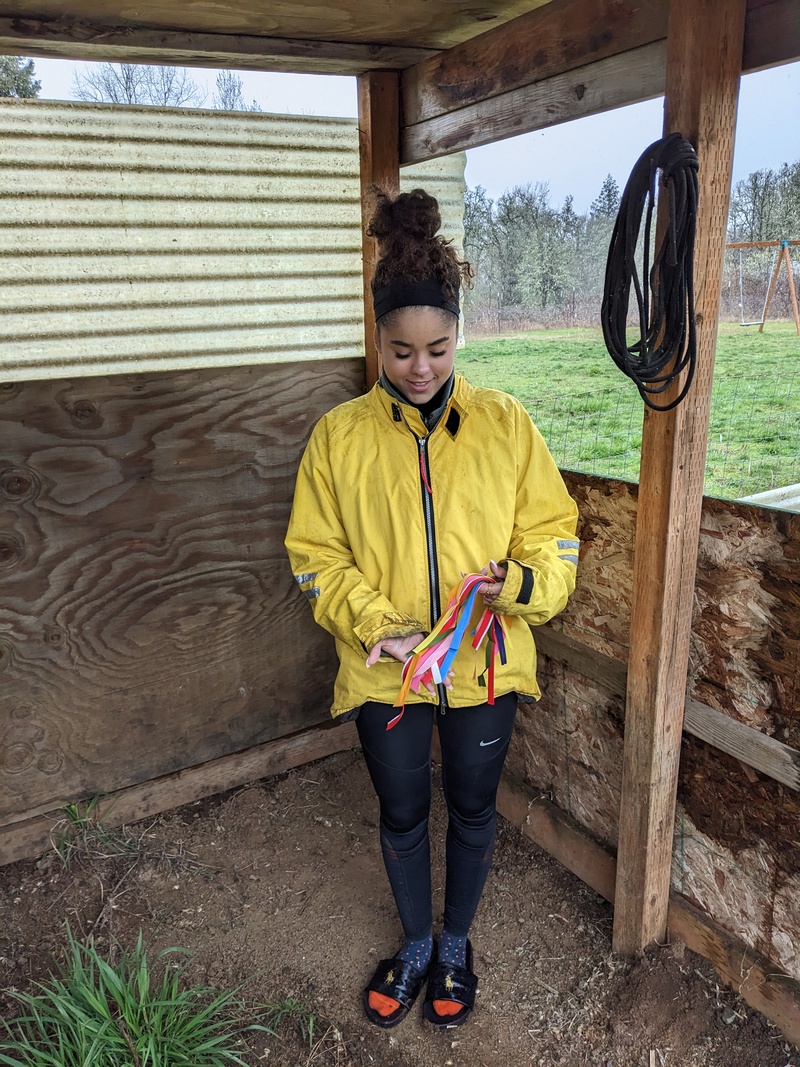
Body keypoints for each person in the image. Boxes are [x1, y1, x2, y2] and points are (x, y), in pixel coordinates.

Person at [285, 187, 579, 1031]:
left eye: (440, 348)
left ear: (460, 335)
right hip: (386, 672)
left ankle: (457, 940)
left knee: (476, 808)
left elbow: (556, 538)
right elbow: (313, 557)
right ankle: (415, 939)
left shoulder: (505, 426)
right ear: (377, 338)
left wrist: (516, 587)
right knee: (404, 809)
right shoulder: (338, 437)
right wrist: (382, 624)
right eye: (402, 349)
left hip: (483, 664)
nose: (421, 369)